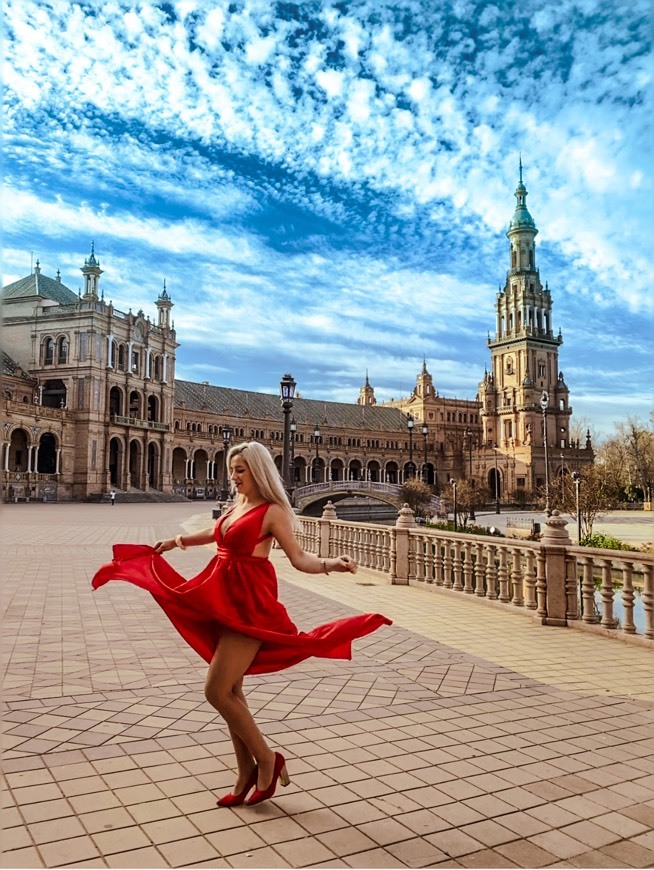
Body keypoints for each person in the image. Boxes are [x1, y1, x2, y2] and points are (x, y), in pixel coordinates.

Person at [92, 441, 391, 807]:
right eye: (232, 469)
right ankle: (245, 770)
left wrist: (331, 564)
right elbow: (218, 533)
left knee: (216, 691)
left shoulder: (273, 510)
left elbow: (298, 559)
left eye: (241, 470)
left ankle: (266, 759)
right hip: (221, 598)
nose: (233, 477)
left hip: (249, 606)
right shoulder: (239, 505)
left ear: (258, 471)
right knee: (232, 691)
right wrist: (175, 541)